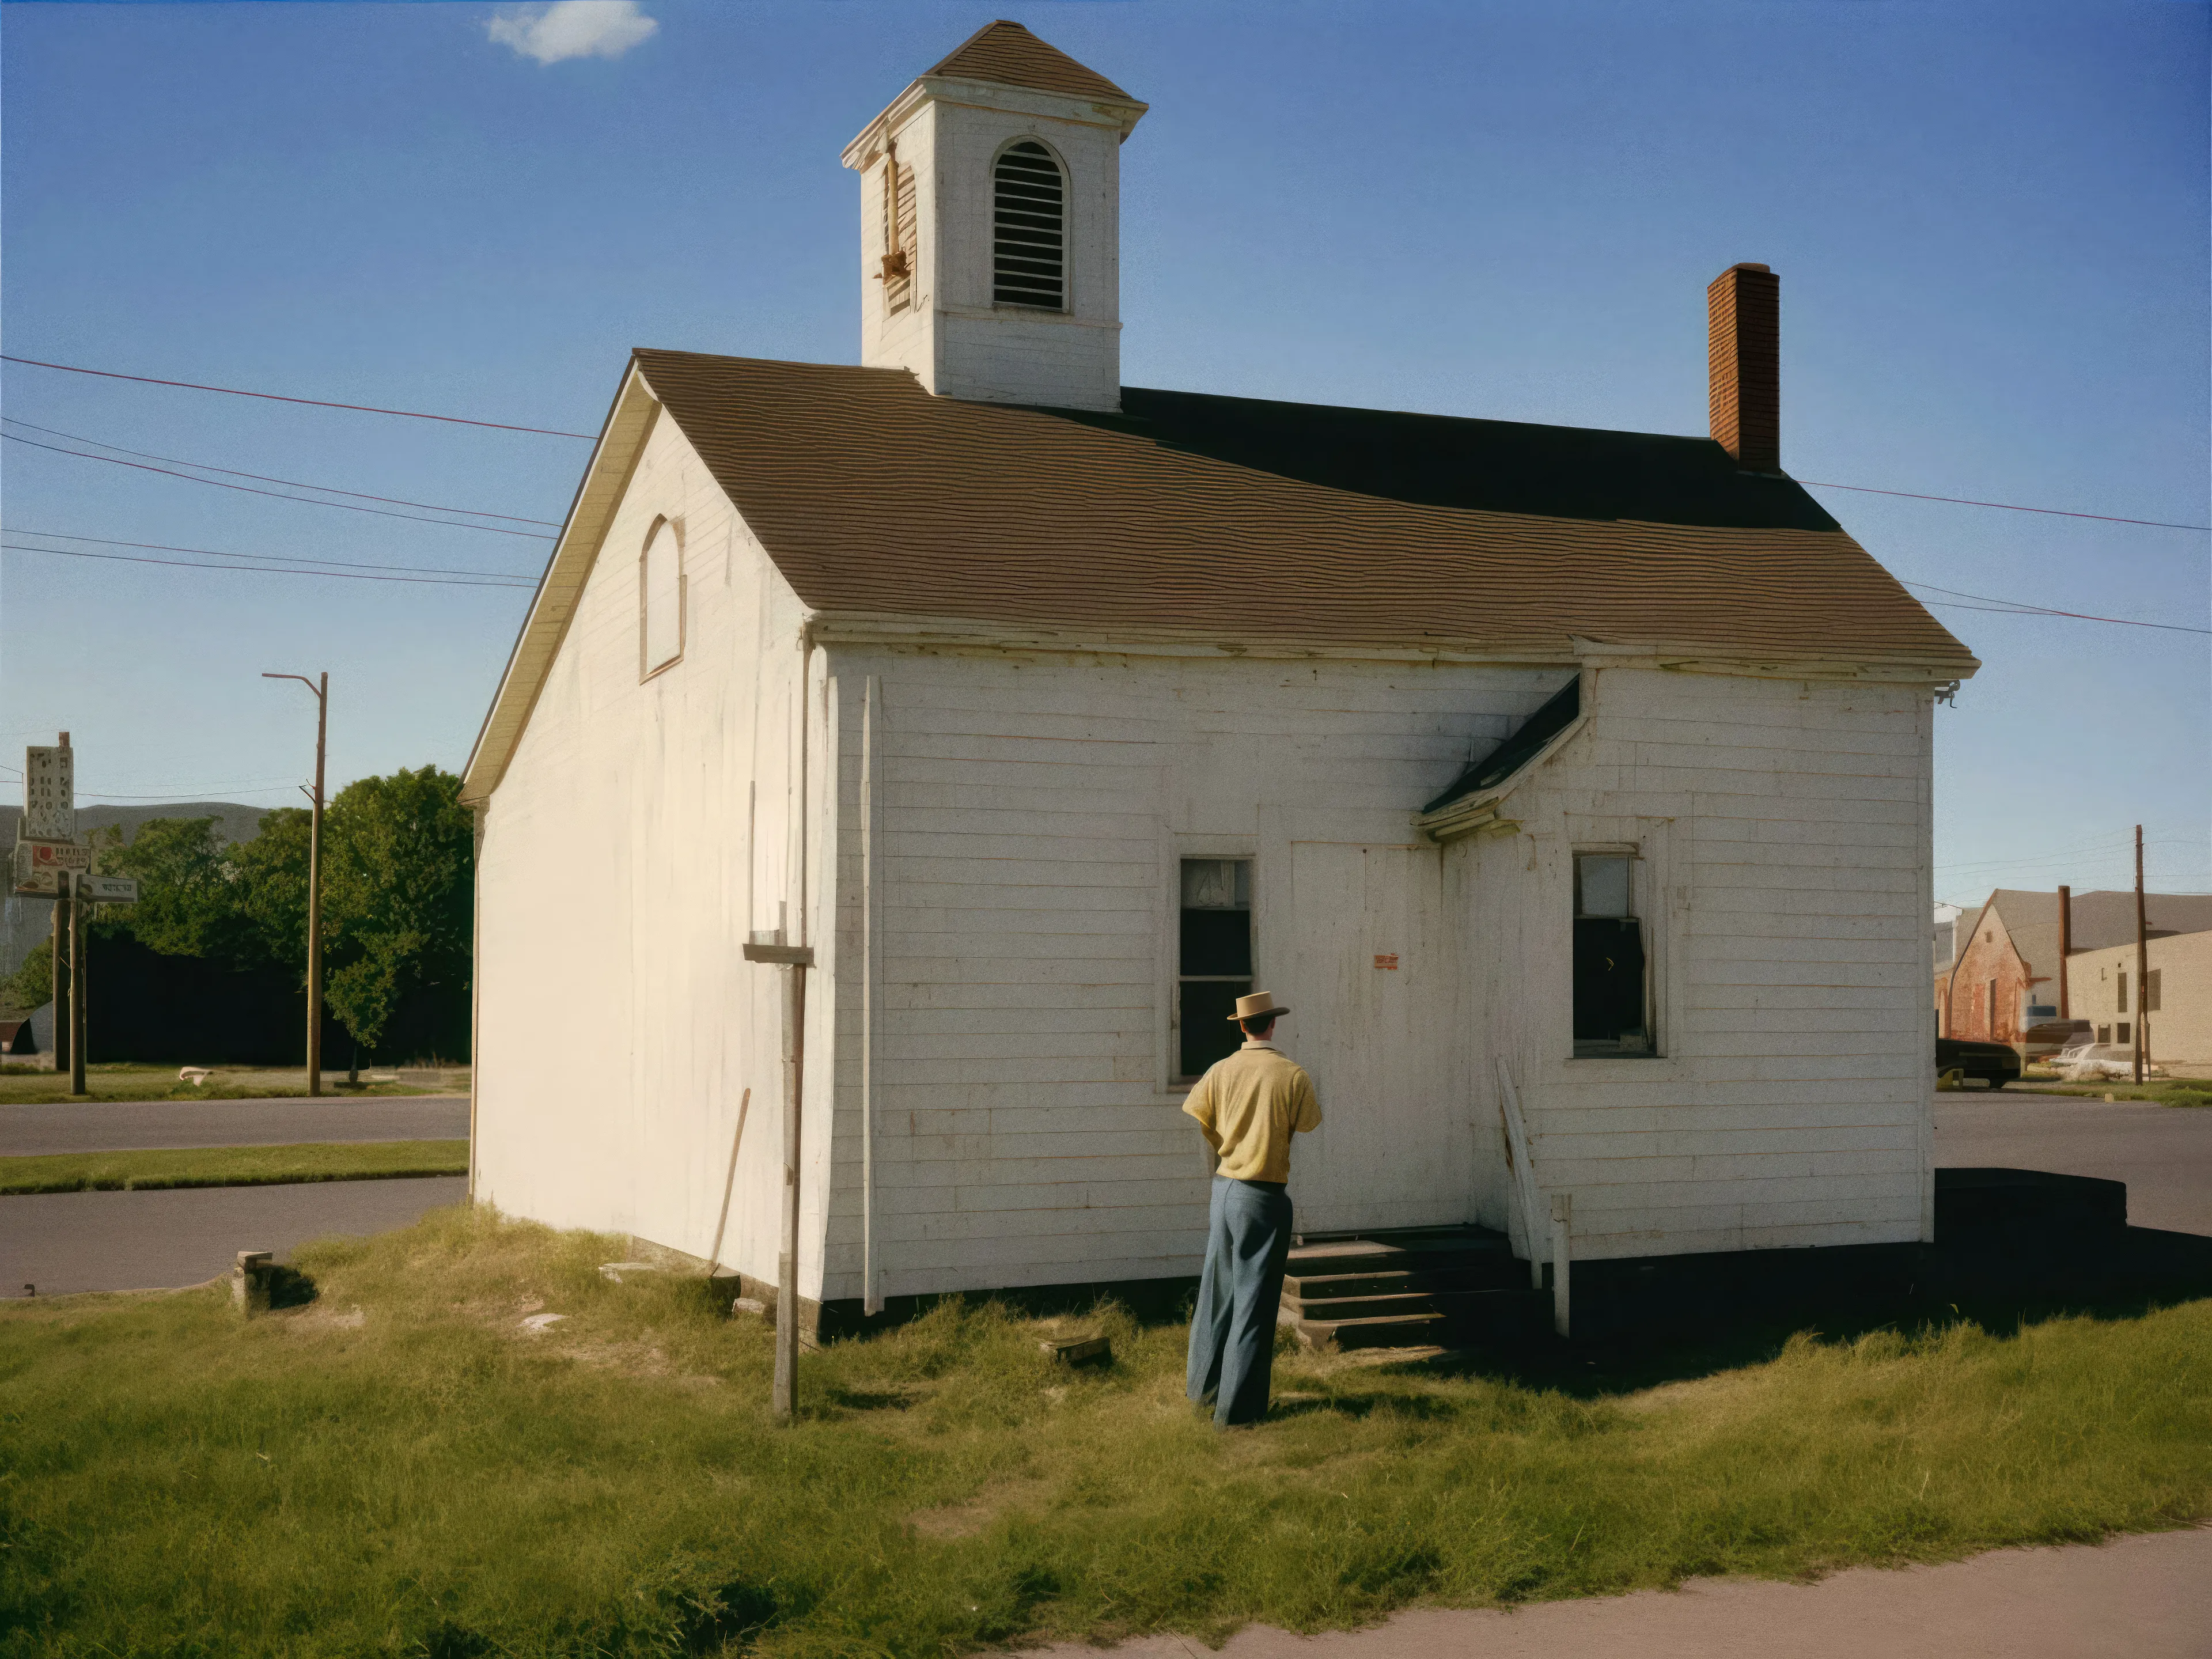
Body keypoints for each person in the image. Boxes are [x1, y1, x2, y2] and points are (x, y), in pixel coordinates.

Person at [1182, 990, 1322, 1428]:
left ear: (1242, 1025)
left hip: (1224, 1189)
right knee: (1254, 1304)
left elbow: (1201, 1116)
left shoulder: (1221, 1071)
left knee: (1217, 1293)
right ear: (1272, 1024)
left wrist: (1226, 1147)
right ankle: (1238, 1414)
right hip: (1262, 1194)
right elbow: (1306, 1123)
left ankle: (1202, 1395)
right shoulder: (1292, 1075)